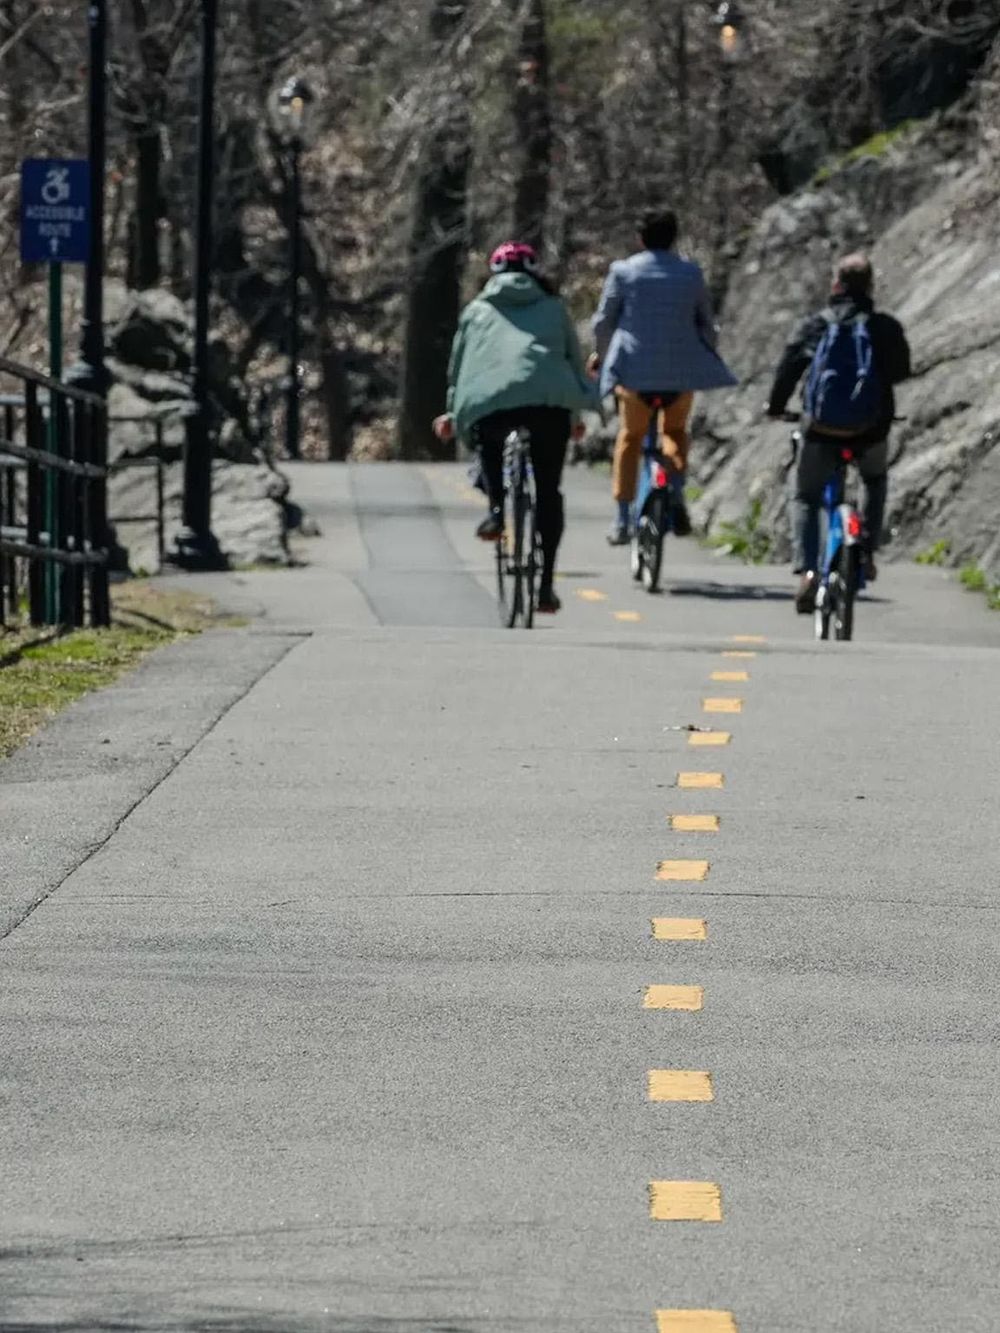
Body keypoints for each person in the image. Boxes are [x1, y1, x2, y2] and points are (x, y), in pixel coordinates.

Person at [434, 242, 593, 614]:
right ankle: (547, 586)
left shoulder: (477, 311)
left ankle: (494, 510)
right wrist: (574, 416)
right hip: (549, 407)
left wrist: (453, 414)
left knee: (488, 441)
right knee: (549, 490)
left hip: (492, 404)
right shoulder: (554, 307)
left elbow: (460, 368)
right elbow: (571, 361)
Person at [767, 252, 911, 612]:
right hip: (869, 430)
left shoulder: (815, 326)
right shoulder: (885, 328)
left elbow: (788, 370)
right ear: (870, 287)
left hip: (820, 430)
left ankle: (808, 573)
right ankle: (866, 549)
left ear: (836, 284)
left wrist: (775, 407)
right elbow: (900, 371)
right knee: (874, 480)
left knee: (805, 495)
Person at [589, 209, 738, 546]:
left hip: (634, 375)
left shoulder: (624, 272)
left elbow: (603, 323)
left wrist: (602, 354)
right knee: (674, 432)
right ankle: (674, 490)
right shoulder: (690, 273)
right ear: (674, 237)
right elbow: (707, 326)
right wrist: (703, 356)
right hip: (680, 374)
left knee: (630, 438)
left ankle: (622, 519)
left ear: (640, 238)